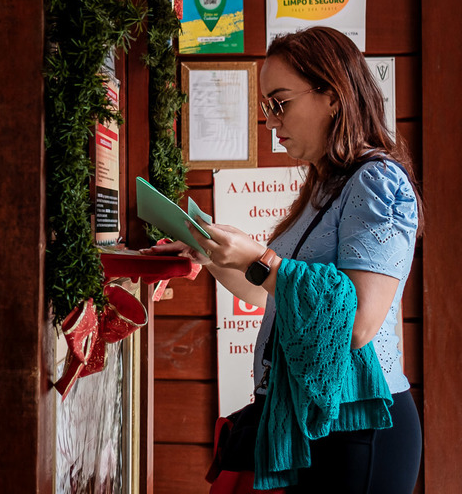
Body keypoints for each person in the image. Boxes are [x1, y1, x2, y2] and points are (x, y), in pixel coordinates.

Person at [146, 26, 422, 492]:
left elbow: (358, 323)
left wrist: (259, 257)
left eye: (280, 103)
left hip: (362, 427)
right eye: (265, 108)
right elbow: (266, 291)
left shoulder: (378, 182)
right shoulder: (325, 187)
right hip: (315, 419)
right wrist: (213, 255)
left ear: (332, 96)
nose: (271, 122)